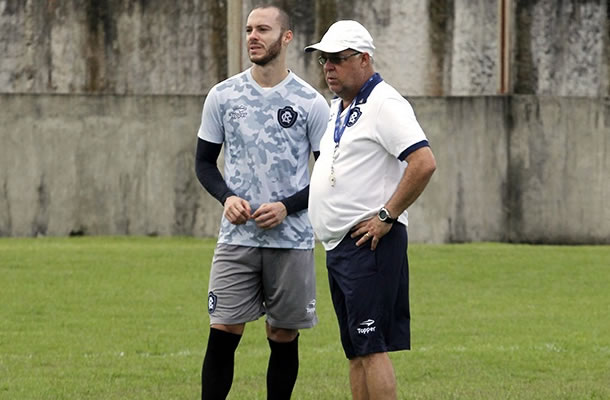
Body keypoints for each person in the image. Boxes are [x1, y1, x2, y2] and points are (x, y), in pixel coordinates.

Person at [195, 4, 329, 400]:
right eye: (250, 29)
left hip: (291, 240)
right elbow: (204, 163)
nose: (253, 36)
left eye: (263, 30)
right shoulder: (223, 95)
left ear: (286, 37)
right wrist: (226, 197)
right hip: (237, 239)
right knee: (223, 330)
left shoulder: (311, 103)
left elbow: (327, 176)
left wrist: (288, 206)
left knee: (282, 335)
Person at [304, 20, 437, 399]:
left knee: (371, 347)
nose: (328, 66)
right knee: (356, 352)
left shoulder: (384, 103)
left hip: (369, 243)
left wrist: (386, 215)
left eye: (337, 59)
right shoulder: (340, 107)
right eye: (324, 60)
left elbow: (423, 162)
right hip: (340, 246)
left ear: (364, 59)